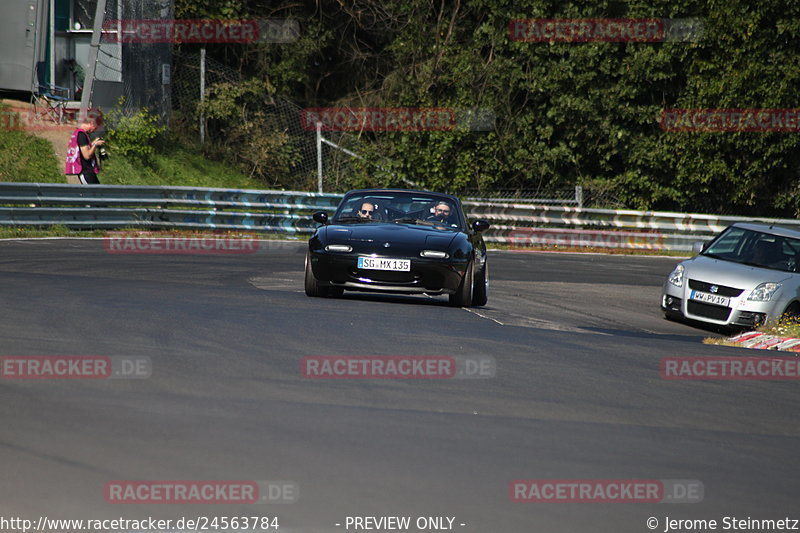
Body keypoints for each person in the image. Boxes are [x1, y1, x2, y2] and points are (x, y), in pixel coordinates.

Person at [65, 114, 104, 184]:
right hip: (85, 171)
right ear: (92, 124)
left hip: (88, 171)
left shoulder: (79, 133)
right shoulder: (81, 134)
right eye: (95, 128)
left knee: (98, 192)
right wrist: (95, 145)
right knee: (93, 193)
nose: (94, 130)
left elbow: (83, 149)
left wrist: (93, 143)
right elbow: (86, 155)